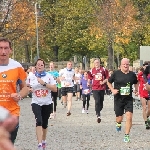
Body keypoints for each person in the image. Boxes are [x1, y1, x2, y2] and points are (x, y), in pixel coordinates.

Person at [0, 37, 29, 144]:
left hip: (11, 113)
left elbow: (25, 88)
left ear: (10, 50)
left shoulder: (17, 66)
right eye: (0, 48)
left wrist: (20, 95)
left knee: (8, 143)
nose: (3, 51)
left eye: (6, 48)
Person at [26, 59, 57, 150]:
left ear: (44, 66)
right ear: (35, 66)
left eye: (41, 65)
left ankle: (43, 140)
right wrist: (29, 89)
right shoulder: (31, 76)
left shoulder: (49, 76)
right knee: (38, 121)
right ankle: (39, 144)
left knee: (45, 123)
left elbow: (55, 89)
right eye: (38, 65)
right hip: (36, 102)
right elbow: (27, 86)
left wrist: (44, 84)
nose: (40, 66)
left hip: (47, 102)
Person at [107, 58, 138, 143]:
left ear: (129, 65)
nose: (125, 66)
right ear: (120, 65)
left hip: (128, 99)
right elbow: (108, 82)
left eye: (127, 64)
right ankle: (118, 123)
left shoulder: (132, 74)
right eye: (124, 64)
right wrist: (113, 90)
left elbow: (136, 82)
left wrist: (136, 89)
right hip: (118, 98)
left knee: (129, 116)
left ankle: (127, 135)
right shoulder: (116, 74)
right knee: (119, 118)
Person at [88, 58, 109, 123]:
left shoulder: (103, 69)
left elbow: (107, 77)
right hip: (95, 88)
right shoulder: (92, 70)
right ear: (94, 64)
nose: (96, 64)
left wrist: (103, 82)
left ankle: (98, 110)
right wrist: (88, 83)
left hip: (102, 88)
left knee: (101, 103)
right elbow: (89, 78)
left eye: (97, 62)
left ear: (99, 63)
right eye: (95, 63)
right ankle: (98, 115)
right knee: (97, 101)